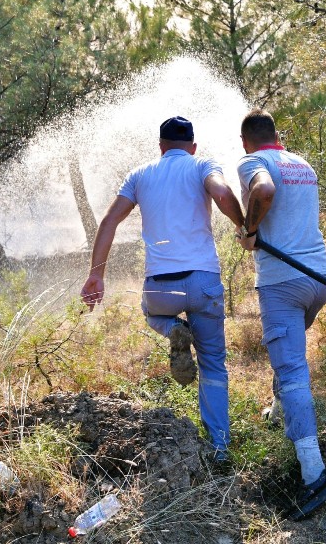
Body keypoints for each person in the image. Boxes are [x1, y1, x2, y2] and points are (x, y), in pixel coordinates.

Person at [80, 115, 245, 460]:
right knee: (213, 363)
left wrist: (97, 273)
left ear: (160, 147)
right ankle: (219, 446)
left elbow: (110, 221)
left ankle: (172, 329)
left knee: (149, 312)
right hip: (203, 282)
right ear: (193, 147)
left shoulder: (140, 175)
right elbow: (220, 191)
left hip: (161, 288)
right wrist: (245, 226)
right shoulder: (202, 165)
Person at [235, 107, 326, 519]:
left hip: (283, 283)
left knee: (294, 371)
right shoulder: (302, 164)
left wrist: (248, 230)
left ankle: (315, 476)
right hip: (320, 281)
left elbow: (262, 191)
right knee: (289, 352)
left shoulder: (252, 162)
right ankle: (278, 409)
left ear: (246, 141)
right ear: (276, 135)